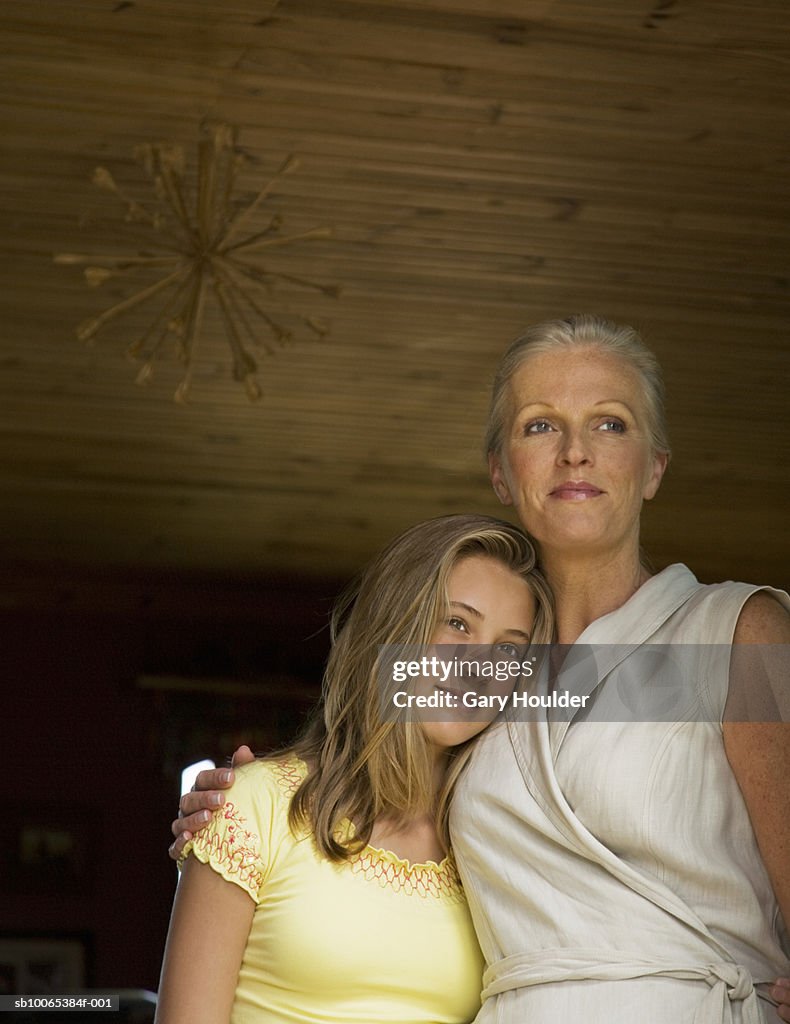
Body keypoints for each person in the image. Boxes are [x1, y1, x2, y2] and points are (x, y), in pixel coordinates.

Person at [174, 316, 790, 1023]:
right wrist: (231, 813)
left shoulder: (742, 635)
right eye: (539, 426)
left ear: (654, 467)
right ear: (501, 471)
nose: (575, 454)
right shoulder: (480, 676)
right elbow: (352, 759)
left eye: (611, 424)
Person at [155, 513, 554, 1024]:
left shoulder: (499, 847)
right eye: (457, 623)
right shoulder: (253, 803)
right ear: (396, 625)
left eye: (507, 648)